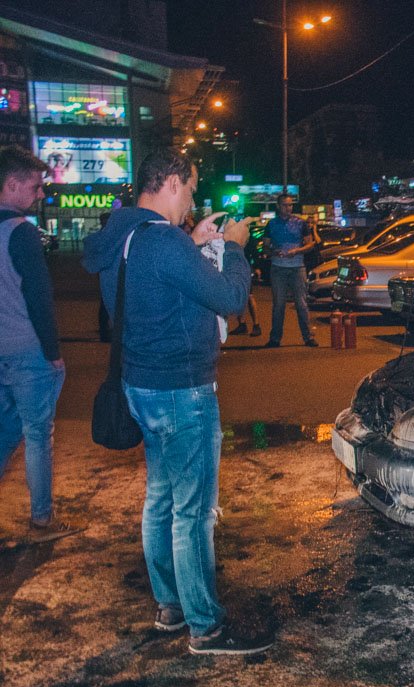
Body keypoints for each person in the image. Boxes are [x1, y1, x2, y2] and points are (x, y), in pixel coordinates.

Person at [83, 148, 271, 656]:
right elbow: (231, 301)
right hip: (181, 391)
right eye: (189, 188)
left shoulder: (125, 236)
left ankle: (170, 605)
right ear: (169, 182)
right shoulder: (163, 243)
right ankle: (206, 626)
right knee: (192, 513)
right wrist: (232, 248)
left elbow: (152, 281)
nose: (191, 199)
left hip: (140, 386)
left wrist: (192, 242)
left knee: (161, 500)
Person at [0, 146, 81, 539]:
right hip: (27, 350)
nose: (40, 195)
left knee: (3, 434)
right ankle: (42, 519)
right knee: (37, 435)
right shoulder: (23, 233)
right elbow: (38, 297)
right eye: (34, 187)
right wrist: (53, 354)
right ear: (11, 185)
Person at [263, 193, 317, 347]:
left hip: (297, 267)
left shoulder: (300, 223)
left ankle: (308, 337)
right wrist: (274, 252)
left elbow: (310, 244)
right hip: (278, 268)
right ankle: (275, 338)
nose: (289, 208)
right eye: (286, 205)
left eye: (291, 205)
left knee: (301, 303)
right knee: (279, 304)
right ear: (279, 206)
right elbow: (265, 247)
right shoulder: (271, 225)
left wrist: (297, 251)